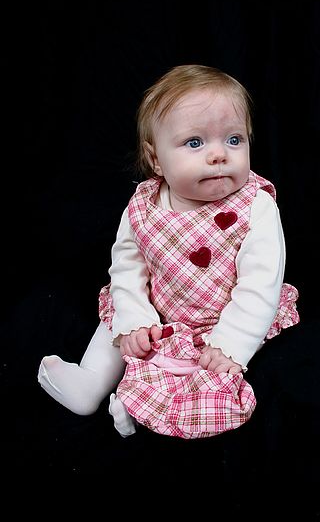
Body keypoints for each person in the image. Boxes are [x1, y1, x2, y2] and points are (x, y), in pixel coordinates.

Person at [38, 64, 299, 439]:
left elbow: (261, 285)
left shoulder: (254, 207)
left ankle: (139, 410)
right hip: (158, 307)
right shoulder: (145, 203)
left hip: (223, 318)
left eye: (234, 140)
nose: (218, 155)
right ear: (156, 159)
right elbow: (128, 266)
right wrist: (136, 318)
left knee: (206, 369)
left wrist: (231, 343)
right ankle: (91, 382)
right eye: (195, 143)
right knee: (116, 324)